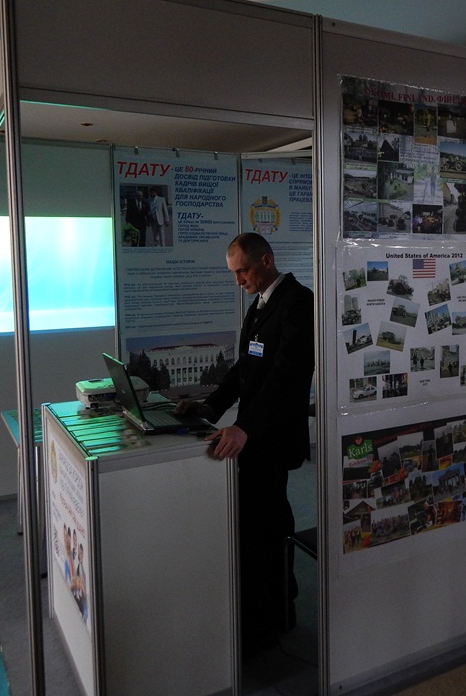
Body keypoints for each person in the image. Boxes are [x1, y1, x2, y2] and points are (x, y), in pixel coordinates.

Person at [177, 233, 314, 657]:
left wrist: (244, 428)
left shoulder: (298, 302)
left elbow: (284, 377)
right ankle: (271, 610)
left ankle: (270, 622)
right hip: (255, 435)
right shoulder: (260, 304)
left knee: (266, 528)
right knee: (260, 526)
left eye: (243, 271)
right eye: (234, 273)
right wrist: (209, 407)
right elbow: (245, 369)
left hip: (273, 437)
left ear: (266, 260)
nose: (238, 280)